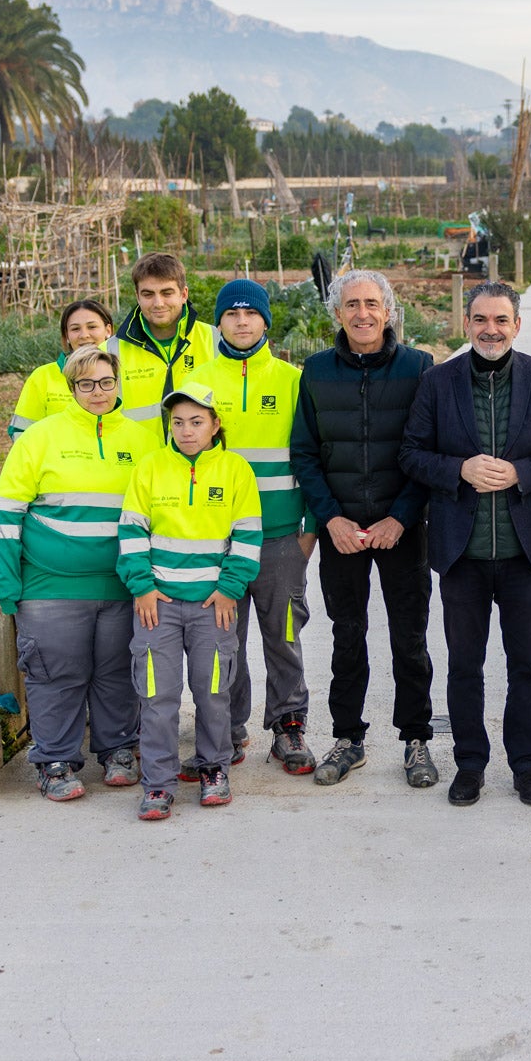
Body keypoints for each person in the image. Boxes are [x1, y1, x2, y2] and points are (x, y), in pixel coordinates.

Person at [400, 282, 531, 808]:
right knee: (464, 666)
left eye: (500, 319)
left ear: (516, 325)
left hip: (524, 552)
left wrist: (521, 472)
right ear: (467, 323)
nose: (490, 329)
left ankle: (526, 766)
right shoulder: (438, 381)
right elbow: (411, 453)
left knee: (528, 664)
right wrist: (460, 469)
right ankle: (470, 765)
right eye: (480, 319)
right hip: (462, 554)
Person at [290, 269, 440, 789]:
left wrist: (401, 517)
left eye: (372, 304)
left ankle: (416, 738)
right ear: (337, 313)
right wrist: (330, 517)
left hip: (402, 528)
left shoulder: (420, 369)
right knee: (347, 635)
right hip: (343, 530)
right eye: (351, 304)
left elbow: (429, 451)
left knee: (410, 636)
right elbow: (305, 454)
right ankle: (348, 738)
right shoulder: (314, 372)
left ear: (388, 310)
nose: (362, 314)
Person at [0, 345, 159, 800]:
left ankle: (119, 750)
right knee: (55, 673)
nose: (98, 392)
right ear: (71, 388)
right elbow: (7, 514)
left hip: (124, 586)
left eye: (106, 381)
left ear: (118, 382)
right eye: (86, 384)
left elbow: (160, 511)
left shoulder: (145, 441)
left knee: (117, 672)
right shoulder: (39, 439)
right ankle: (55, 760)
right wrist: (7, 581)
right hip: (50, 586)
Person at [119, 382, 264, 820]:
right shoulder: (149, 468)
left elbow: (247, 535)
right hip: (156, 604)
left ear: (215, 425)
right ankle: (158, 783)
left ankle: (213, 769)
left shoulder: (236, 470)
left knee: (214, 691)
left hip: (212, 605)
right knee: (157, 695)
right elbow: (131, 532)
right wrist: (141, 585)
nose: (186, 430)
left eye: (197, 422)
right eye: (178, 422)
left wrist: (230, 588)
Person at [193, 279, 316, 778]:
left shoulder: (292, 380)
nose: (241, 321)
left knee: (283, 633)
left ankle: (288, 726)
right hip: (216, 539)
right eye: (231, 313)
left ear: (266, 321)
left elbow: (313, 456)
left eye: (251, 313)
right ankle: (227, 729)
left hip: (282, 535)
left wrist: (309, 529)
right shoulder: (198, 379)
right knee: (225, 638)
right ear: (217, 322)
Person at [108, 252, 217, 428]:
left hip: (201, 456)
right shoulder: (110, 351)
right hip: (138, 456)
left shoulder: (215, 340)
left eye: (167, 293)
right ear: (137, 296)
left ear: (184, 294)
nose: (158, 303)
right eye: (148, 294)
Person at [8, 299, 113, 438]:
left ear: (108, 330)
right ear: (67, 336)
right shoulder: (43, 377)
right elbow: (21, 433)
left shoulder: (122, 373)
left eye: (92, 327)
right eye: (75, 329)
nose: (84, 335)